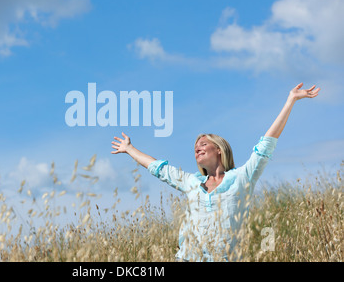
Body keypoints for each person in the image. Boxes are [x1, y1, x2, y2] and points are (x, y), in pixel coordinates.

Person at [111, 83, 320, 261]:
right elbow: (159, 169)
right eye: (195, 147)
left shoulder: (241, 178)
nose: (197, 148)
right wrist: (129, 149)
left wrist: (290, 100)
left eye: (203, 144)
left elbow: (266, 145)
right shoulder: (191, 182)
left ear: (218, 150)